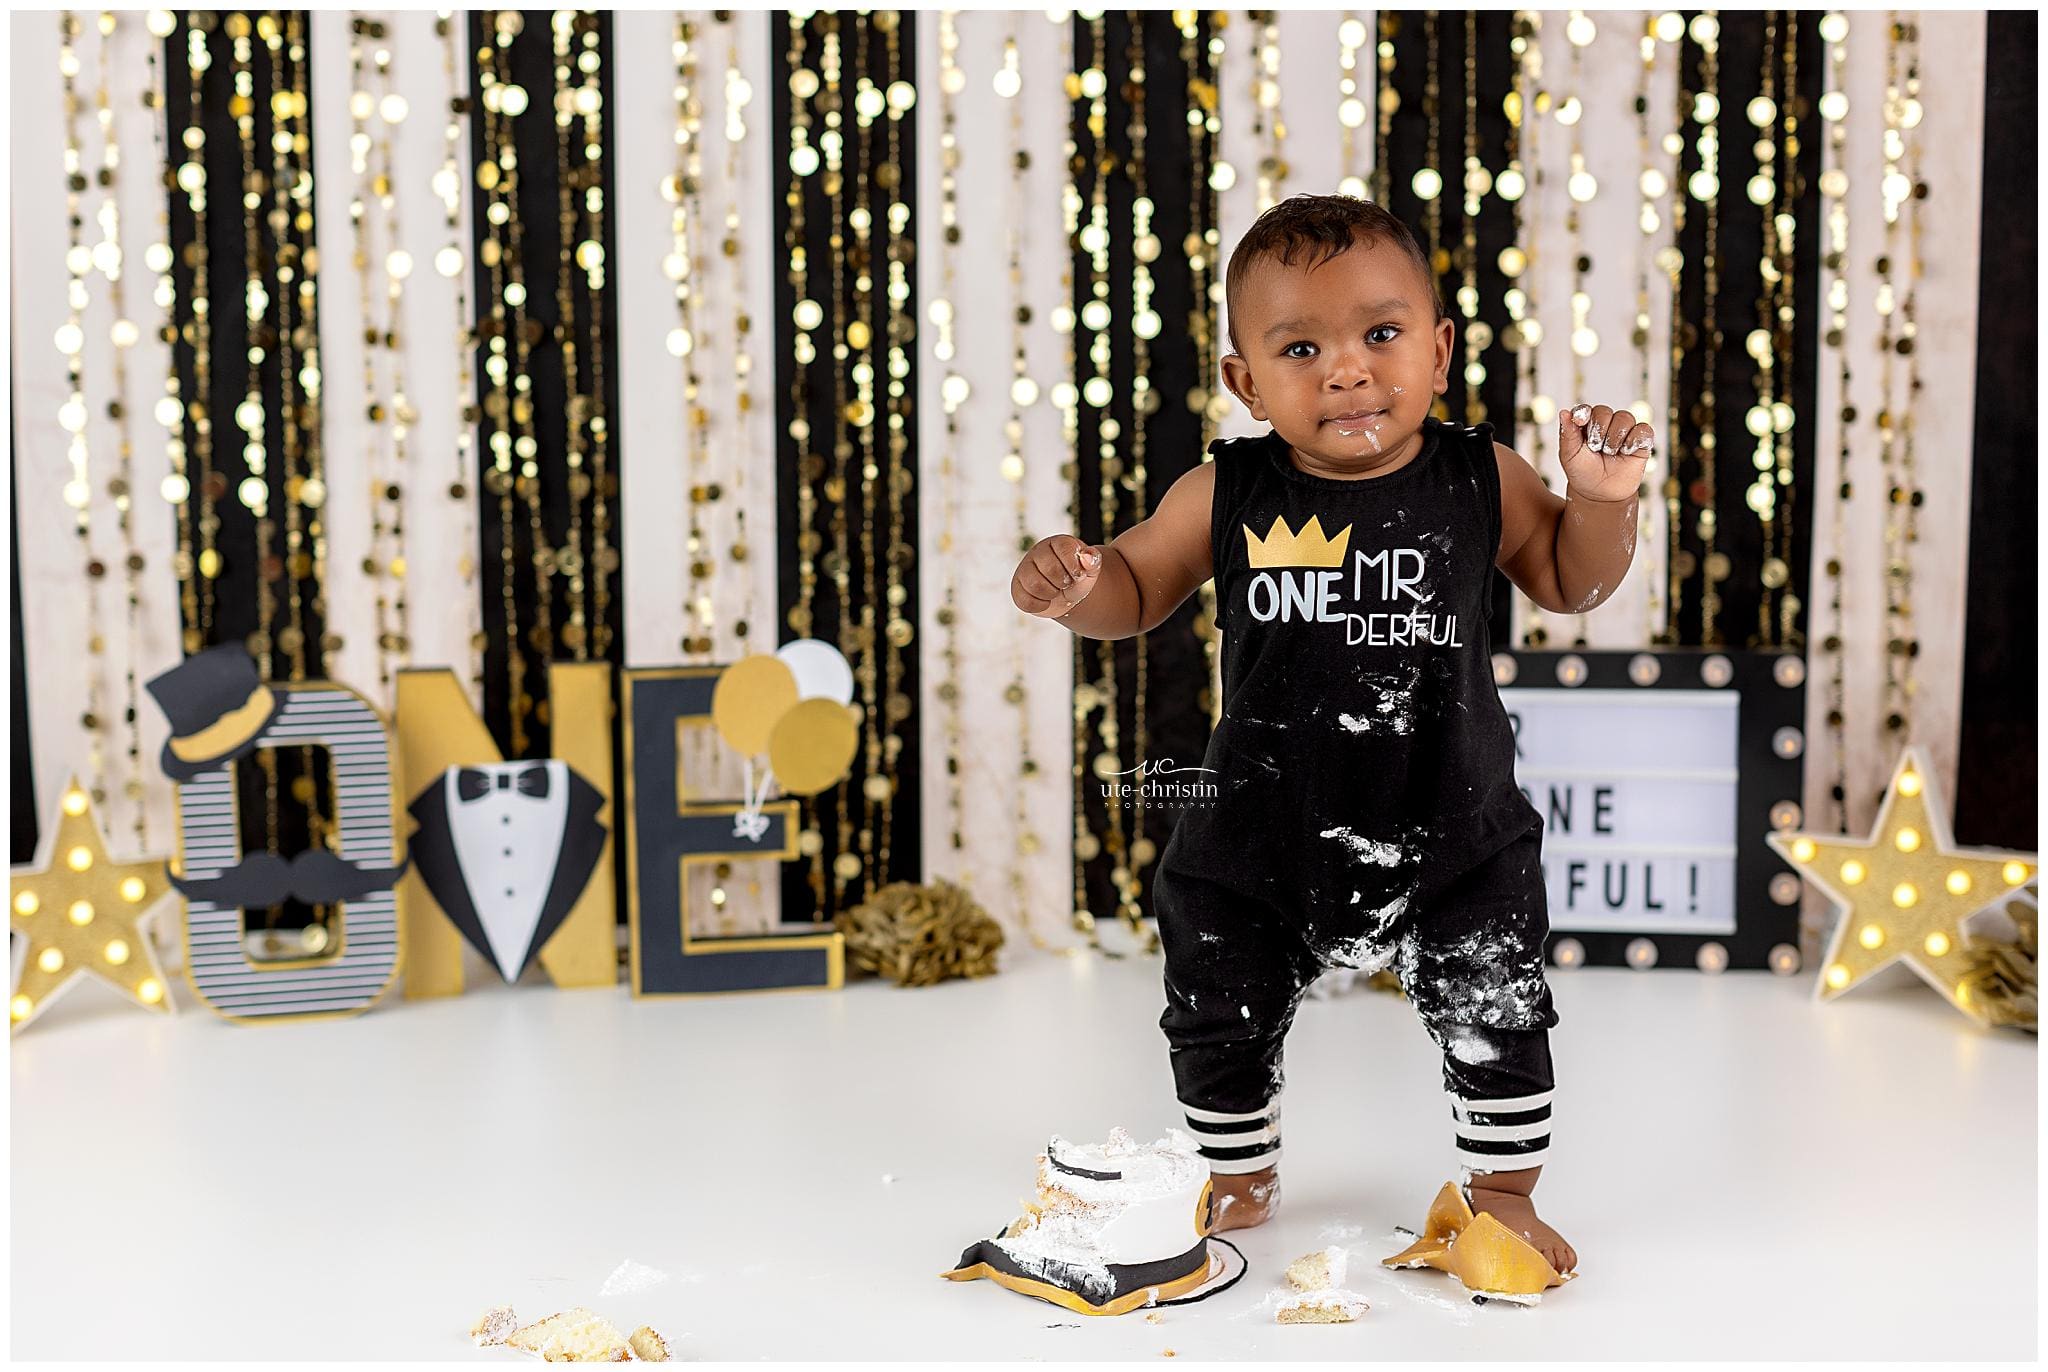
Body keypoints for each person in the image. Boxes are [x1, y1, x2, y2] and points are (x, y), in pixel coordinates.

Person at [1010, 193, 1654, 1277]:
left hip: (1450, 824)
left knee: (1496, 1002)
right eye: (1301, 349)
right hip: (1261, 831)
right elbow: (1137, 588)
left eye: (1380, 334)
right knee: (1214, 996)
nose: (1347, 371)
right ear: (1245, 382)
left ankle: (1501, 1191)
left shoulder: (1479, 476)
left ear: (1439, 350)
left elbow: (1565, 580)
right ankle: (1237, 1167)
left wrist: (1599, 499)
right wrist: (1079, 585)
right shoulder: (1224, 491)